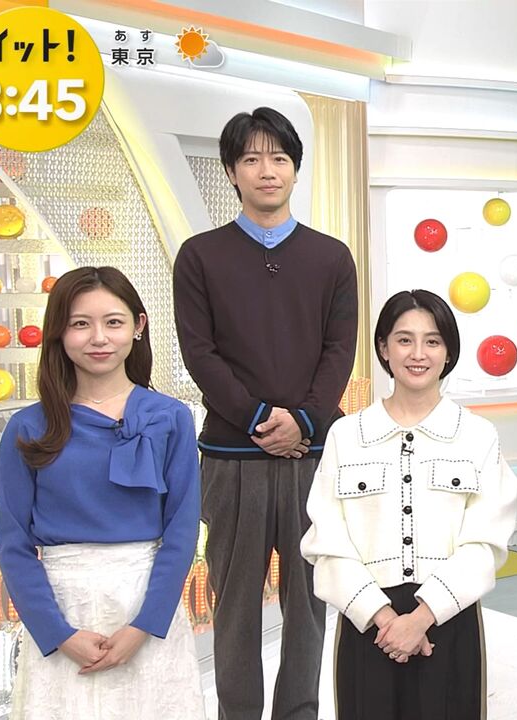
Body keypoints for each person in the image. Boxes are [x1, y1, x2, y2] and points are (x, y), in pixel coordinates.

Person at [173, 106, 358, 720]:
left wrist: (304, 421)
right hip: (231, 460)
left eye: (279, 158)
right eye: (251, 159)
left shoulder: (332, 257)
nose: (267, 170)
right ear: (232, 172)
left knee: (310, 603)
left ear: (295, 169)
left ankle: (299, 712)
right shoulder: (200, 256)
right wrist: (258, 418)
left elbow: (339, 351)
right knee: (233, 607)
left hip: (311, 457)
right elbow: (199, 352)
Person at [0, 266, 204, 720]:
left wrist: (145, 625)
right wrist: (58, 633)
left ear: (138, 326)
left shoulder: (171, 418)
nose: (99, 338)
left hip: (146, 604)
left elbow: (182, 530)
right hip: (62, 608)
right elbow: (12, 544)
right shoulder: (28, 427)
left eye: (113, 322)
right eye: (80, 323)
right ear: (58, 332)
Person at [301, 289, 517, 720]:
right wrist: (385, 619)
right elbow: (327, 541)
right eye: (404, 340)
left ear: (448, 352)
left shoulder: (477, 435)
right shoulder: (346, 435)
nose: (418, 354)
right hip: (367, 623)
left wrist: (420, 619)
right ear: (384, 348)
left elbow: (486, 541)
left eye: (432, 341)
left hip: (449, 621)